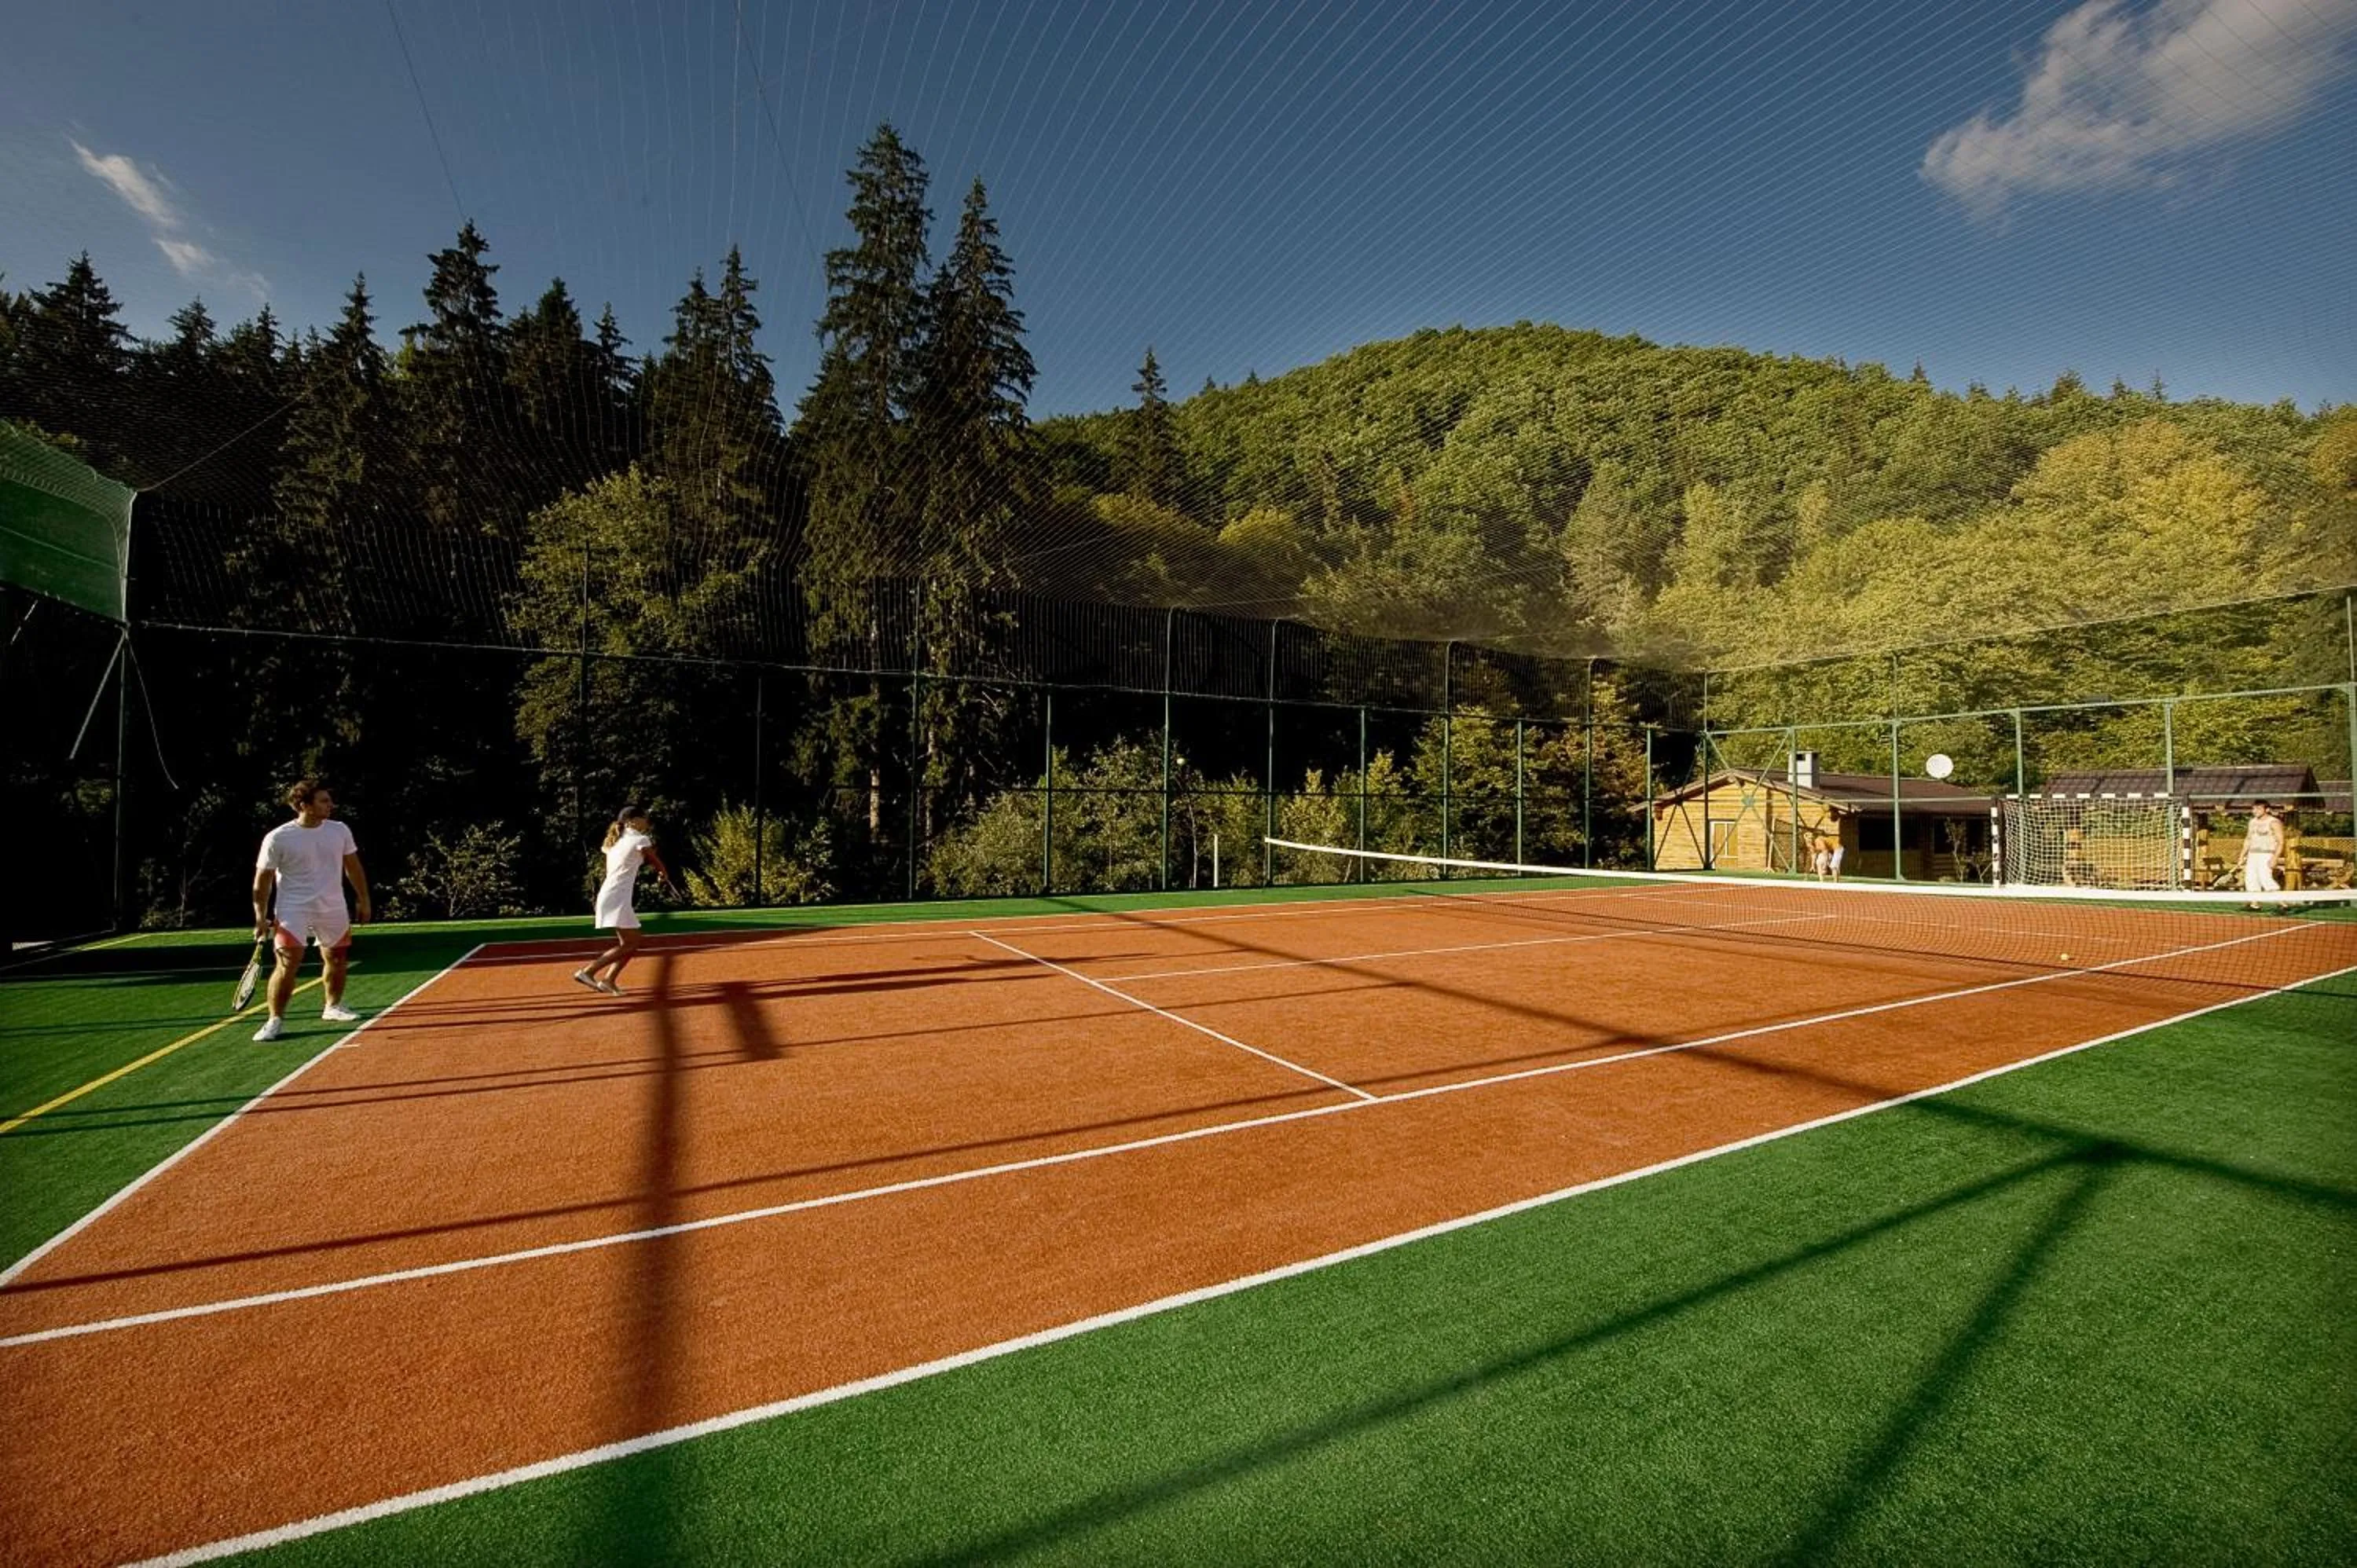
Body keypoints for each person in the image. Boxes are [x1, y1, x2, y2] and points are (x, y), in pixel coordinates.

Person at [251, 779, 371, 1042]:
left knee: (337, 958)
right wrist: (260, 916)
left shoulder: (339, 831)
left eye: (329, 800)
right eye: (324, 801)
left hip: (333, 906)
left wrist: (363, 899)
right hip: (292, 908)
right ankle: (275, 1020)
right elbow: (263, 880)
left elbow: (353, 867)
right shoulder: (278, 837)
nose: (331, 805)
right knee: (288, 963)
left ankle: (333, 1007)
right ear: (304, 805)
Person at [574, 804, 680, 995]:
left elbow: (639, 858)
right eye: (644, 818)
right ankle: (588, 971)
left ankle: (609, 980)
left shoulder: (617, 840)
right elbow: (654, 859)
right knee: (632, 943)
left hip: (612, 895)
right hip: (617, 896)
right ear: (633, 820)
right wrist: (663, 873)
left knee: (631, 943)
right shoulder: (640, 839)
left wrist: (659, 872)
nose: (647, 821)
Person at [2243, 800, 2285, 907]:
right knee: (2250, 878)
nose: (2255, 811)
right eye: (2253, 808)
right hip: (2253, 854)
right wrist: (2242, 855)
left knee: (2265, 878)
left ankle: (2282, 904)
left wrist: (2275, 858)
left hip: (2267, 854)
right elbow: (2248, 839)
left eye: (2258, 808)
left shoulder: (2274, 822)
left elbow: (2281, 842)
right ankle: (2255, 904)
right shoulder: (2252, 822)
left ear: (2267, 810)